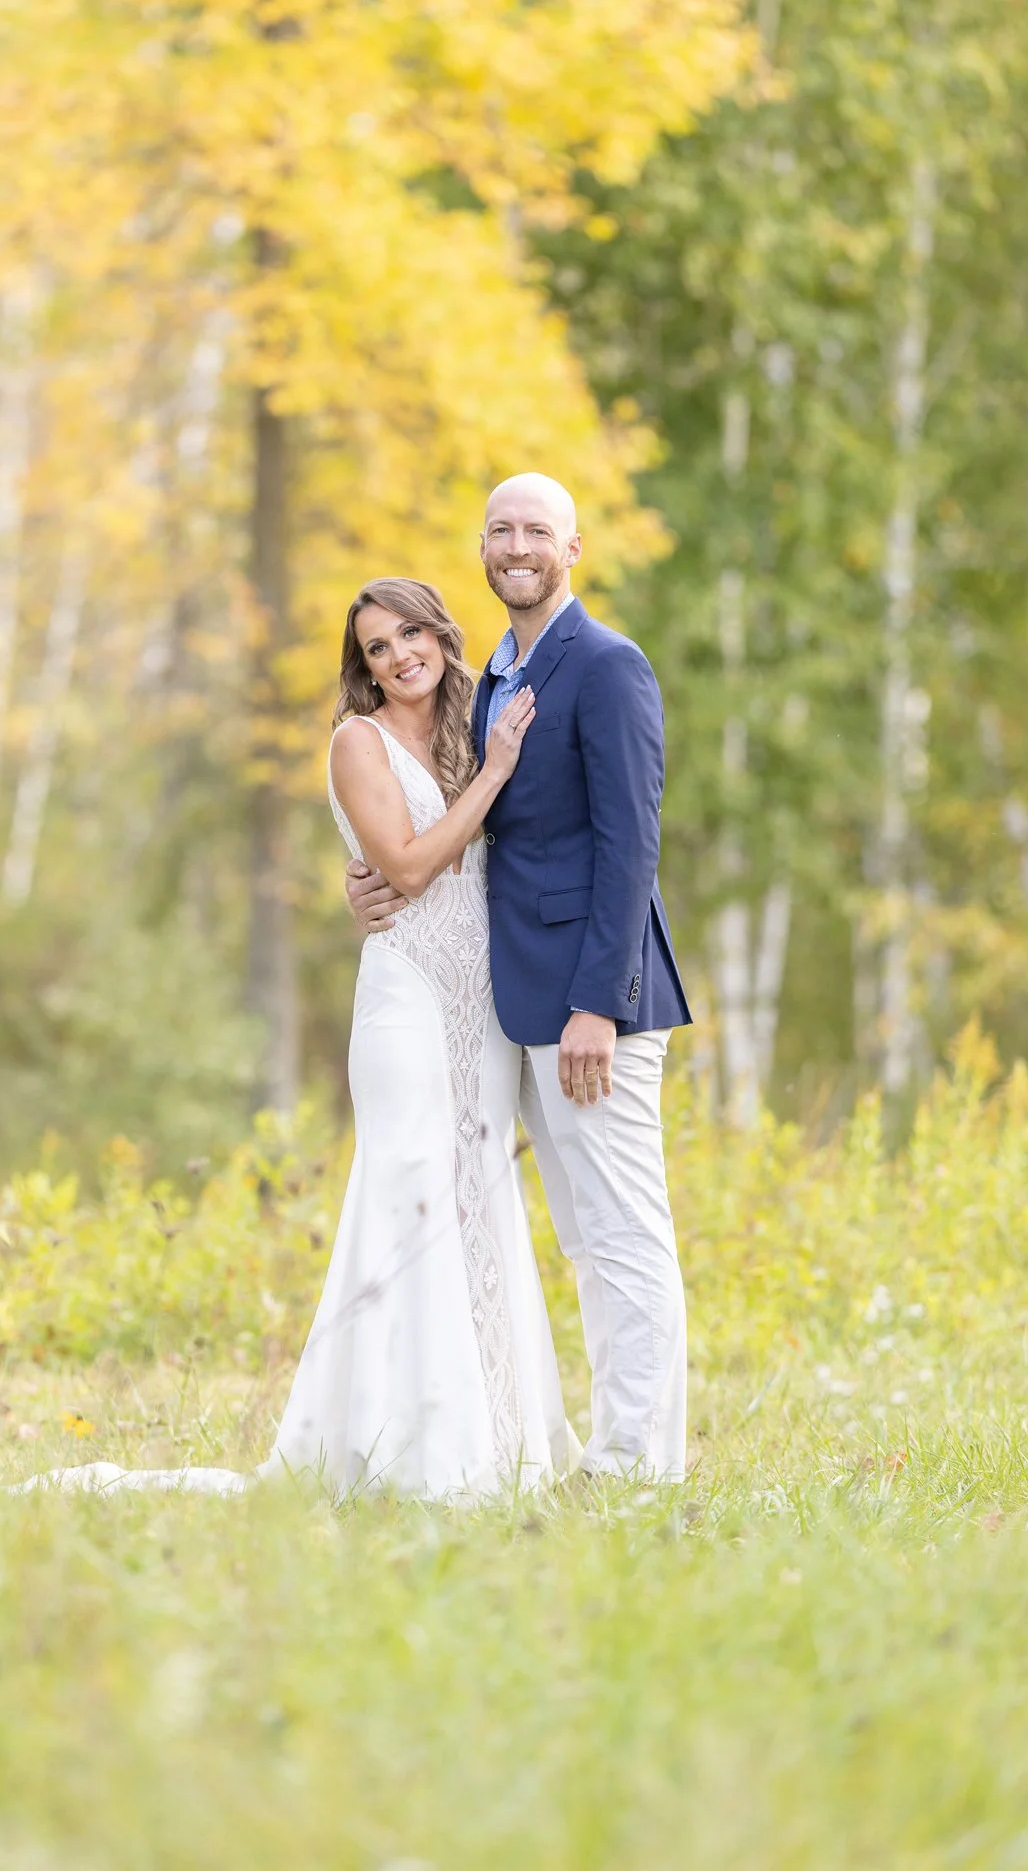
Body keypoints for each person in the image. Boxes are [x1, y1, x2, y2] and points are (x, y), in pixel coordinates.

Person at [17, 576, 573, 1502]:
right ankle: (411, 1454)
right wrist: (493, 777)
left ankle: (500, 1439)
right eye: (376, 649)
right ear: (361, 666)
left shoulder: (475, 723)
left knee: (481, 1205)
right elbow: (404, 866)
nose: (399, 658)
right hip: (407, 1008)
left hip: (483, 1015)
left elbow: (495, 855)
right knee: (410, 1205)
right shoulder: (357, 743)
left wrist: (490, 770)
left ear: (440, 634)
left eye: (410, 636)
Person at [347, 474, 692, 1482]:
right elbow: (461, 825)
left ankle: (637, 1465)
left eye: (536, 528)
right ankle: (605, 1448)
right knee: (586, 1237)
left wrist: (599, 1002)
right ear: (483, 549)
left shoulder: (607, 664)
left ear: (572, 547)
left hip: (594, 1004)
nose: (516, 544)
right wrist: (367, 875)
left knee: (625, 1231)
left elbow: (632, 843)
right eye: (499, 529)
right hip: (521, 998)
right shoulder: (491, 676)